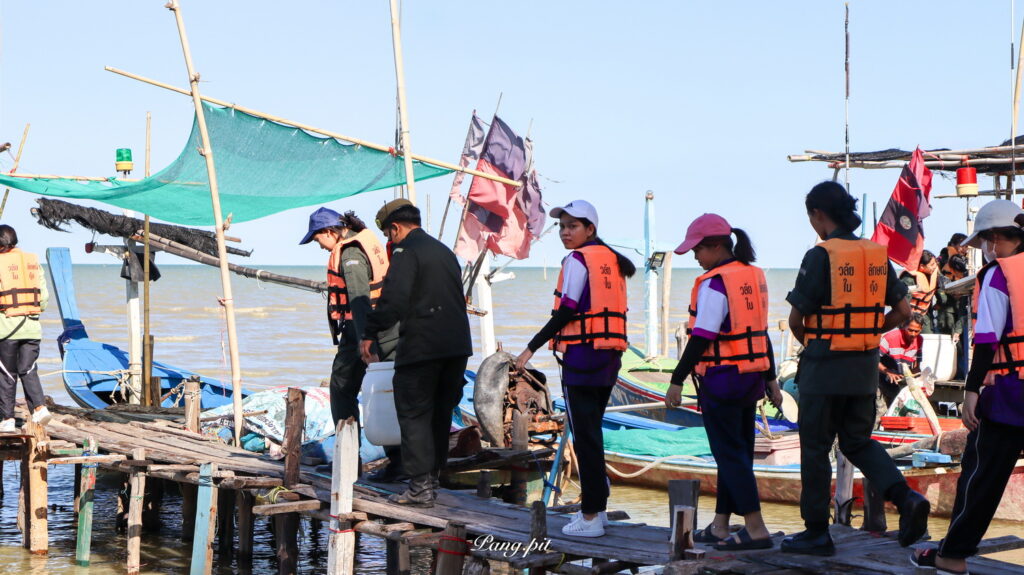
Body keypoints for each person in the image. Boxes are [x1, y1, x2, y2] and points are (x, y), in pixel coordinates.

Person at [782, 181, 929, 556]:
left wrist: (819, 342)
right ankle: (906, 499)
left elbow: (796, 320)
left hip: (823, 367)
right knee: (858, 442)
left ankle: (816, 532)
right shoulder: (876, 254)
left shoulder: (820, 255)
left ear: (818, 214)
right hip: (864, 369)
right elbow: (903, 313)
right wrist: (864, 333)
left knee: (815, 449)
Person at [911, 200, 1024, 574]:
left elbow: (988, 340)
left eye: (987, 243)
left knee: (982, 474)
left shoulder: (999, 274)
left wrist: (970, 391)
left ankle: (953, 553)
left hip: (1010, 389)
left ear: (993, 237)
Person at [515, 199, 635, 538]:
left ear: (590, 230)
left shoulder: (578, 260)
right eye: (562, 227)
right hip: (608, 357)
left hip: (583, 357)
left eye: (573, 226)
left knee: (585, 437)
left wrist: (529, 349)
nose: (566, 233)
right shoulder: (611, 260)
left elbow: (566, 311)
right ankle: (600, 508)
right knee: (592, 433)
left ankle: (592, 515)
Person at [665, 213, 782, 551]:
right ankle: (720, 525)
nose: (696, 258)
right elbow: (759, 334)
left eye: (698, 251)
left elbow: (701, 337)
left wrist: (676, 379)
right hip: (749, 378)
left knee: (729, 455)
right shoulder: (750, 276)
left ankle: (756, 528)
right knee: (738, 453)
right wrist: (771, 378)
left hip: (722, 379)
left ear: (716, 246)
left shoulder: (716, 283)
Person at [360, 199, 472, 507]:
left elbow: (393, 300)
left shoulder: (406, 252)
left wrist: (370, 333)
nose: (389, 241)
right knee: (438, 416)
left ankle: (419, 487)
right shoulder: (444, 252)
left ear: (395, 228)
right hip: (456, 348)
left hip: (423, 347)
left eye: (388, 234)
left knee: (413, 415)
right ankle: (431, 482)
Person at [299, 207, 403, 479]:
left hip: (366, 330)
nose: (320, 247)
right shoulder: (363, 239)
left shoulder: (350, 254)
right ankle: (399, 461)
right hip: (384, 326)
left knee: (342, 389)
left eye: (318, 240)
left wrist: (364, 341)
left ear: (329, 232)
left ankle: (349, 460)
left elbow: (358, 299)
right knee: (388, 392)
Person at [0, 225, 50, 431]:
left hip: (7, 328)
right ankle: (39, 408)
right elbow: (44, 299)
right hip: (31, 329)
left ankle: (7, 419)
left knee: (6, 374)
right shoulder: (33, 261)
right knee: (28, 370)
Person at [877, 314, 924, 407]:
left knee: (898, 411)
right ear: (903, 326)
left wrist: (918, 378)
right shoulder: (890, 337)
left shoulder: (919, 340)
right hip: (880, 380)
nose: (913, 334)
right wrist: (887, 371)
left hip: (898, 383)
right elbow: (873, 360)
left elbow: (916, 366)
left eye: (916, 331)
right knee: (880, 412)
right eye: (910, 330)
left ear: (921, 329)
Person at [901, 251, 939, 333]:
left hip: (924, 317)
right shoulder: (909, 278)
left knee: (927, 340)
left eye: (935, 263)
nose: (935, 266)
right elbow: (904, 301)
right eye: (932, 264)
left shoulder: (935, 275)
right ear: (922, 266)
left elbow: (942, 297)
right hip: (907, 317)